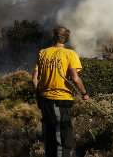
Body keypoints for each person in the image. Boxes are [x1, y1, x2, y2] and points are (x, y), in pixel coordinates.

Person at [32, 25, 89, 157]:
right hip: (60, 101)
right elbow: (75, 78)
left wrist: (38, 98)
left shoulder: (43, 53)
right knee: (63, 139)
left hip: (45, 101)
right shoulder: (70, 54)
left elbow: (34, 79)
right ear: (67, 39)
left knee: (50, 137)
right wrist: (85, 93)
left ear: (54, 37)